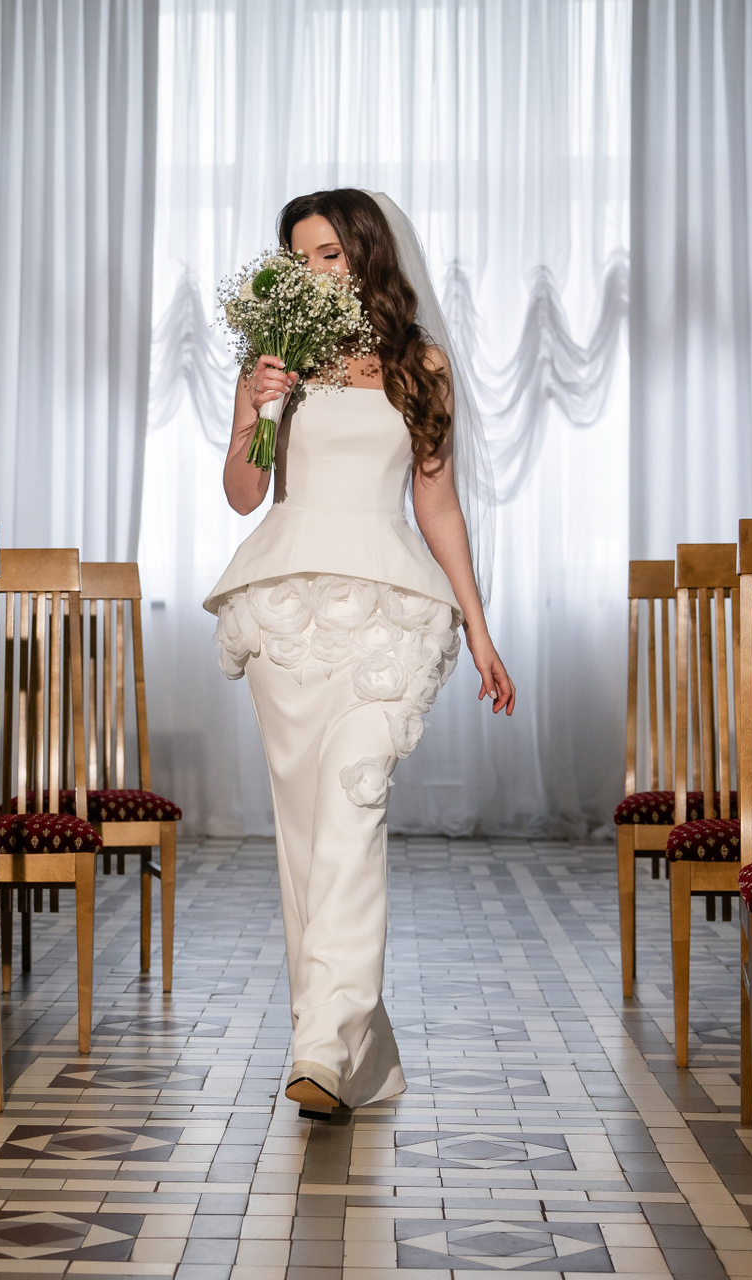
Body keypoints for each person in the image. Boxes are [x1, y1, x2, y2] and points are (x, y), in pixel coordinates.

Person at [204, 189, 515, 1119]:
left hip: (388, 609)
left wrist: (479, 626)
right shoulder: (274, 360)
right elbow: (243, 492)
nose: (314, 272)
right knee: (306, 832)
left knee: (354, 799)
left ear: (366, 254)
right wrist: (260, 407)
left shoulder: (421, 364)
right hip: (287, 608)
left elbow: (437, 502)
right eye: (299, 258)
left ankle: (322, 1049)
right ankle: (351, 1050)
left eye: (330, 254)